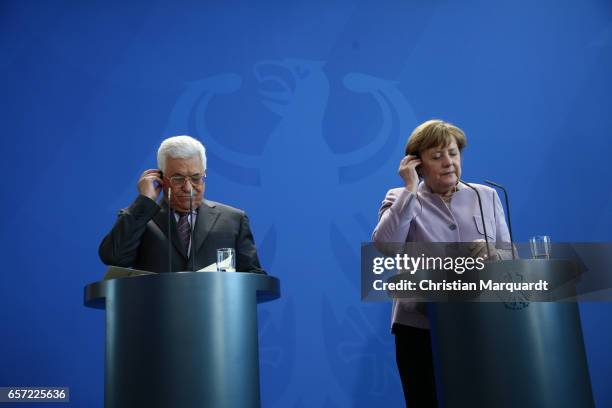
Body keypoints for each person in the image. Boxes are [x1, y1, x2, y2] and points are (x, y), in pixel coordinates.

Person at [372, 119, 511, 406]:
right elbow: (386, 245)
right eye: (436, 156)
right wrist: (410, 188)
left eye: (453, 153)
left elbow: (511, 258)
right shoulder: (400, 198)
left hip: (481, 323)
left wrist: (494, 254)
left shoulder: (486, 196)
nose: (448, 162)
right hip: (421, 328)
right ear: (417, 164)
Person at [99, 135, 265, 274]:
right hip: (157, 311)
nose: (188, 188)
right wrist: (145, 201)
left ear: (204, 175)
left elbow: (253, 278)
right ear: (161, 178)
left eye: (195, 178)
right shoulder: (140, 217)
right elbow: (113, 258)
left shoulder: (234, 220)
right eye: (178, 179)